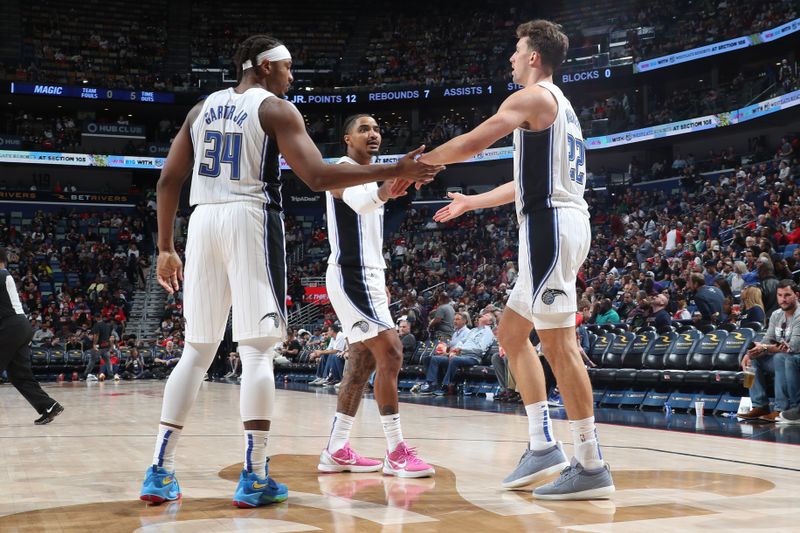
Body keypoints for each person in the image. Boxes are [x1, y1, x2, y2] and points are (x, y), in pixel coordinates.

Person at [140, 35, 443, 507]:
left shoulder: (199, 110)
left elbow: (167, 179)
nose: (291, 76)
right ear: (262, 67)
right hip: (249, 217)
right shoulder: (275, 110)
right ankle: (255, 476)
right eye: (286, 68)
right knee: (257, 352)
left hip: (201, 222)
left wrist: (164, 246)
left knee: (195, 352)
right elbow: (319, 176)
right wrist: (391, 168)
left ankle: (159, 471)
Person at [420, 20, 614, 499]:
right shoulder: (559, 108)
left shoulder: (533, 97)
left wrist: (419, 166)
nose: (510, 57)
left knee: (558, 344)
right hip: (551, 221)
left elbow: (474, 140)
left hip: (551, 227)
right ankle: (541, 442)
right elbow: (522, 184)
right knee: (510, 334)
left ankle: (590, 463)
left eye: (516, 49)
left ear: (533, 56)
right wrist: (470, 202)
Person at [318, 114, 434, 478]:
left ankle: (336, 450)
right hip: (351, 277)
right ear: (347, 138)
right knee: (392, 352)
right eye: (364, 129)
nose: (373, 134)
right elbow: (357, 201)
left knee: (362, 365)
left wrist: (380, 274)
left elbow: (368, 218)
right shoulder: (339, 169)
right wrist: (385, 190)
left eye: (377, 129)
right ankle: (396, 450)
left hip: (369, 277)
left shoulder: (370, 176)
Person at [0, 248, 63, 425]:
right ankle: (48, 406)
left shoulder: (1, 274)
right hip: (20, 326)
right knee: (19, 375)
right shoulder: (5, 275)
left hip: (11, 326)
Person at [739, 281, 800, 422]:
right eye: (779, 295)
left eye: (787, 295)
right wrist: (751, 353)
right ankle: (759, 405)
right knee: (753, 359)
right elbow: (768, 339)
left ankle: (781, 409)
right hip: (783, 358)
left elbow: (794, 346)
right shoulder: (776, 315)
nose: (782, 299)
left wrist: (765, 348)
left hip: (795, 359)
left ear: (796, 295)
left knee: (780, 357)